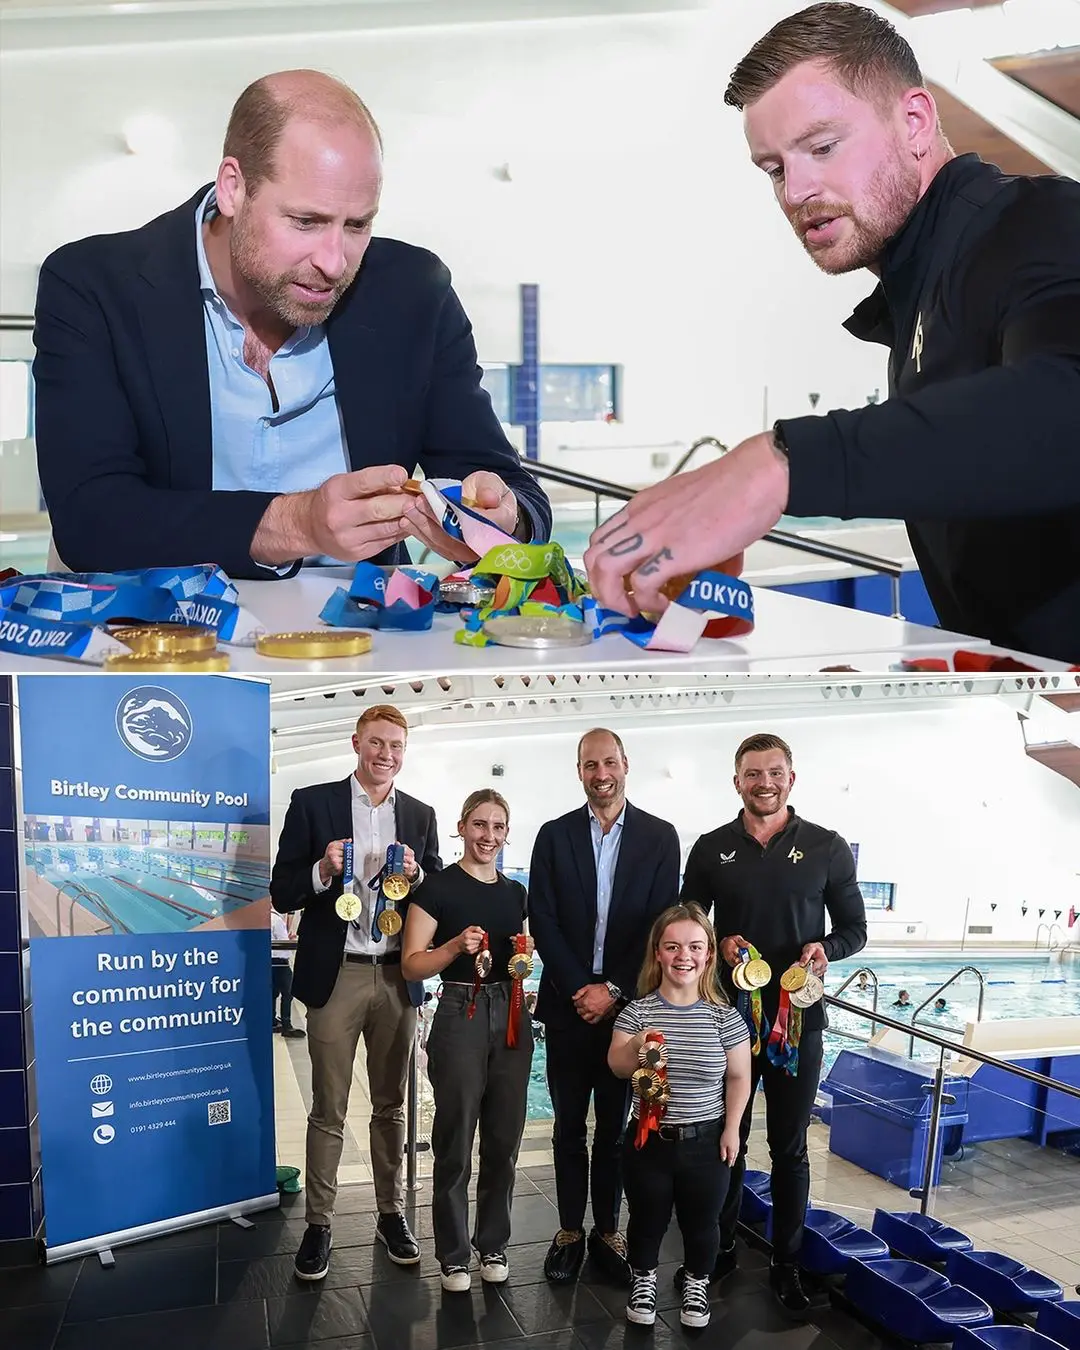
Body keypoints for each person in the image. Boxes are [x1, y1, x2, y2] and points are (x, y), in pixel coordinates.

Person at [583, 3, 1080, 664]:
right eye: (774, 168)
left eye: (822, 147)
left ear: (915, 122)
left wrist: (780, 465)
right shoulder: (923, 295)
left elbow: (1066, 409)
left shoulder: (1042, 222)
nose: (797, 190)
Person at [33, 69, 551, 578]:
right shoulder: (92, 285)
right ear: (233, 188)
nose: (333, 261)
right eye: (306, 222)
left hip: (361, 644)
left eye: (357, 225)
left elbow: (516, 495)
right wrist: (297, 524)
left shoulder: (415, 293)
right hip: (156, 641)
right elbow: (91, 520)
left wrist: (500, 521)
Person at [680, 732, 866, 1317]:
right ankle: (721, 1246)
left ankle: (786, 1263)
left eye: (775, 773)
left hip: (797, 1021)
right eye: (753, 774)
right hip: (729, 1021)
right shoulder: (711, 848)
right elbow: (688, 921)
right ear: (737, 781)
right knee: (723, 1139)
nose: (765, 783)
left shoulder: (827, 846)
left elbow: (855, 929)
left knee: (789, 1149)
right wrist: (715, 941)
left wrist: (824, 948)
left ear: (792, 777)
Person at [270, 704, 441, 1282]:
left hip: (396, 974)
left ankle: (390, 1213)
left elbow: (436, 893)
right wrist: (322, 869)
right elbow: (281, 890)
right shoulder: (312, 802)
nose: (385, 754)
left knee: (392, 1104)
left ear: (403, 750)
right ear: (356, 743)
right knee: (329, 1108)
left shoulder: (419, 815)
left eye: (395, 744)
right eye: (375, 742)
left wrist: (418, 878)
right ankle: (319, 1223)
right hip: (337, 972)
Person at [529, 729, 681, 1286]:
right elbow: (542, 918)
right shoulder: (554, 835)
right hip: (570, 1006)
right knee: (569, 1126)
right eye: (590, 764)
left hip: (629, 1009)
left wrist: (613, 989)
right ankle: (570, 1229)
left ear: (626, 765)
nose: (601, 773)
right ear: (579, 770)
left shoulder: (660, 838)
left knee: (615, 1129)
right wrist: (580, 988)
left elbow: (659, 923)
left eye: (609, 762)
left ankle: (608, 1229)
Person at [401, 789, 533, 1293]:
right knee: (455, 1138)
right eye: (480, 825)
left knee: (504, 1138)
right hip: (459, 1006)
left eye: (498, 827)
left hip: (512, 1011)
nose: (489, 836)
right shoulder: (436, 888)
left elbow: (518, 959)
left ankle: (493, 1242)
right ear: (461, 827)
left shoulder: (515, 894)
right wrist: (454, 946)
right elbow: (411, 962)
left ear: (506, 832)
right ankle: (454, 1253)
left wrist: (526, 952)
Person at [608, 904, 752, 1330]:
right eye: (672, 946)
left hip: (706, 1142)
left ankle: (696, 1282)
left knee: (702, 1223)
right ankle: (644, 1278)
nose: (683, 956)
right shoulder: (638, 1012)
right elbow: (617, 1065)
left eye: (694, 946)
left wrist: (732, 1129)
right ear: (658, 953)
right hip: (648, 1140)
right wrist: (639, 1043)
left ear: (708, 955)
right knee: (646, 1220)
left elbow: (740, 1078)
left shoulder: (725, 1018)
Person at [271, 906, 305, 1038]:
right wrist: (290, 940)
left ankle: (272, 1021)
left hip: (270, 961)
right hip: (280, 961)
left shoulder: (267, 918)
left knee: (273, 992)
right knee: (288, 992)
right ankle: (287, 1025)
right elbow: (282, 941)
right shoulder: (276, 920)